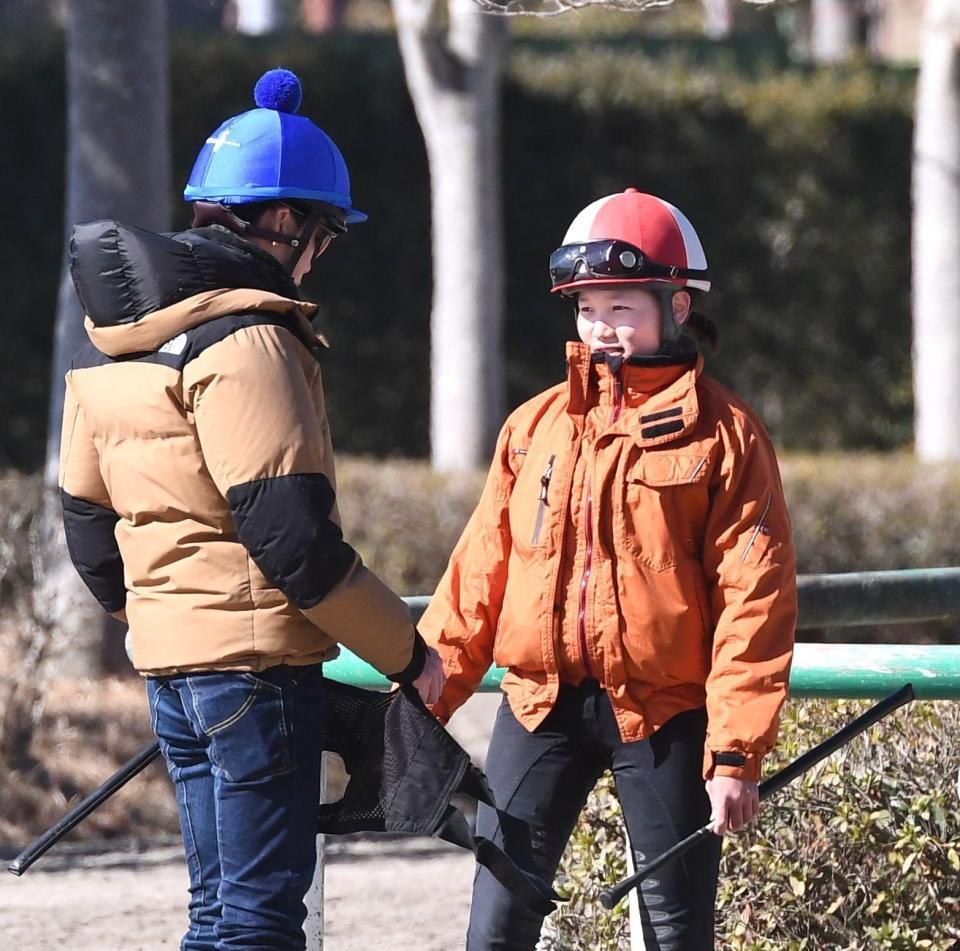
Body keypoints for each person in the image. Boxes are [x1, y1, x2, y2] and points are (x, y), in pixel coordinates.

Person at [58, 68, 444, 950]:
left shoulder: (120, 346)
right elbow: (295, 542)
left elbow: (87, 526)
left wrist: (164, 617)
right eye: (325, 234)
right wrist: (405, 652)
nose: (322, 255)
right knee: (263, 917)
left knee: (216, 910)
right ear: (284, 223)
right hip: (257, 675)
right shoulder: (253, 337)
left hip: (173, 674)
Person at [418, 189, 798, 950]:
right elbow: (480, 574)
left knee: (674, 931)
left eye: (622, 307)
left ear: (678, 305)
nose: (602, 328)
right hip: (537, 706)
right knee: (495, 924)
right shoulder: (534, 426)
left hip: (665, 717)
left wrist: (735, 753)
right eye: (589, 308)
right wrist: (418, 700)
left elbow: (756, 600)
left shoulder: (730, 438)